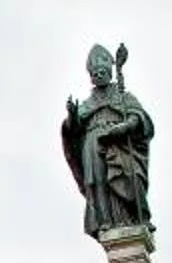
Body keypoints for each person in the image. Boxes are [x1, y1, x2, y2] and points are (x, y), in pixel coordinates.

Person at [60, 43, 154, 237]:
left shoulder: (123, 96)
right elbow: (73, 128)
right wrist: (72, 114)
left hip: (117, 142)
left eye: (102, 71)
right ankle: (105, 221)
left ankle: (134, 217)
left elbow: (138, 117)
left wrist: (124, 127)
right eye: (95, 73)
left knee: (129, 176)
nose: (98, 75)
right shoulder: (88, 103)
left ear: (109, 72)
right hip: (93, 142)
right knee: (98, 180)